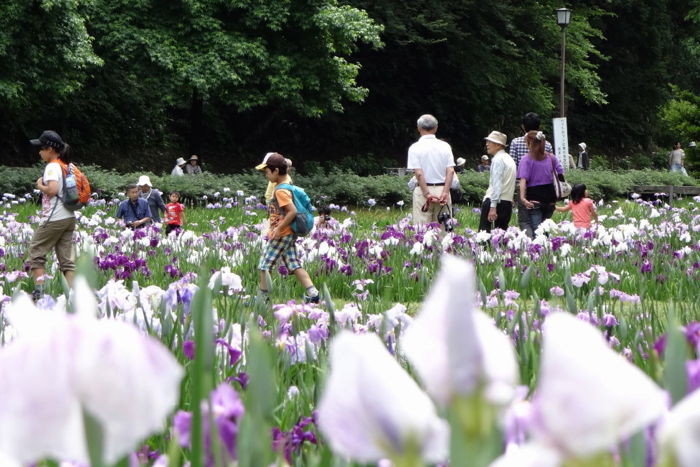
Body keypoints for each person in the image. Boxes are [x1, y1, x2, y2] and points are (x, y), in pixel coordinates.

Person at [255, 153, 319, 304]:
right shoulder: (286, 186)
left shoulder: (280, 190)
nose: (266, 175)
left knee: (264, 264)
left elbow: (292, 211)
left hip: (282, 233)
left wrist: (278, 229)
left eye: (267, 172)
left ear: (276, 171)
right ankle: (313, 293)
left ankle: (262, 298)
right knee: (293, 263)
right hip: (288, 233)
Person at [27, 130, 76, 300]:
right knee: (66, 260)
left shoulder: (51, 167)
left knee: (36, 251)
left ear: (49, 149)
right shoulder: (67, 165)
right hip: (69, 217)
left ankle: (39, 292)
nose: (39, 152)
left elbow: (53, 190)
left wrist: (40, 186)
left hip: (54, 218)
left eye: (40, 148)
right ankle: (72, 296)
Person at [510, 112, 554, 237]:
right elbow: (550, 168)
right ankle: (542, 244)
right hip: (544, 187)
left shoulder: (516, 142)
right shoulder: (548, 145)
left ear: (523, 126)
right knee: (542, 221)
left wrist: (511, 191)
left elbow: (513, 167)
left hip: (522, 186)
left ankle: (531, 247)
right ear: (539, 126)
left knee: (525, 220)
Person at [406, 114, 455, 225]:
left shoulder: (414, 147)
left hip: (423, 190)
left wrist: (427, 194)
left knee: (421, 229)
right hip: (442, 190)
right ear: (436, 128)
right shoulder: (445, 146)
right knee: (443, 229)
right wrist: (446, 192)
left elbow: (418, 174)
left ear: (418, 128)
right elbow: (451, 171)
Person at [518, 130, 565, 235]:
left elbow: (523, 180)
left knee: (538, 230)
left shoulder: (526, 159)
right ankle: (547, 248)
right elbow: (561, 174)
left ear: (530, 143)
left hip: (535, 198)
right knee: (545, 227)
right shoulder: (551, 158)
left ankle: (539, 250)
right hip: (550, 197)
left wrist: (522, 198)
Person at [479, 131, 516, 232]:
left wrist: (493, 207)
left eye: (490, 141)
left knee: (484, 237)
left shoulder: (498, 159)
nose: (487, 144)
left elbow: (497, 184)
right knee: (501, 238)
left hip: (495, 201)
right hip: (506, 203)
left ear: (499, 145)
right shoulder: (509, 159)